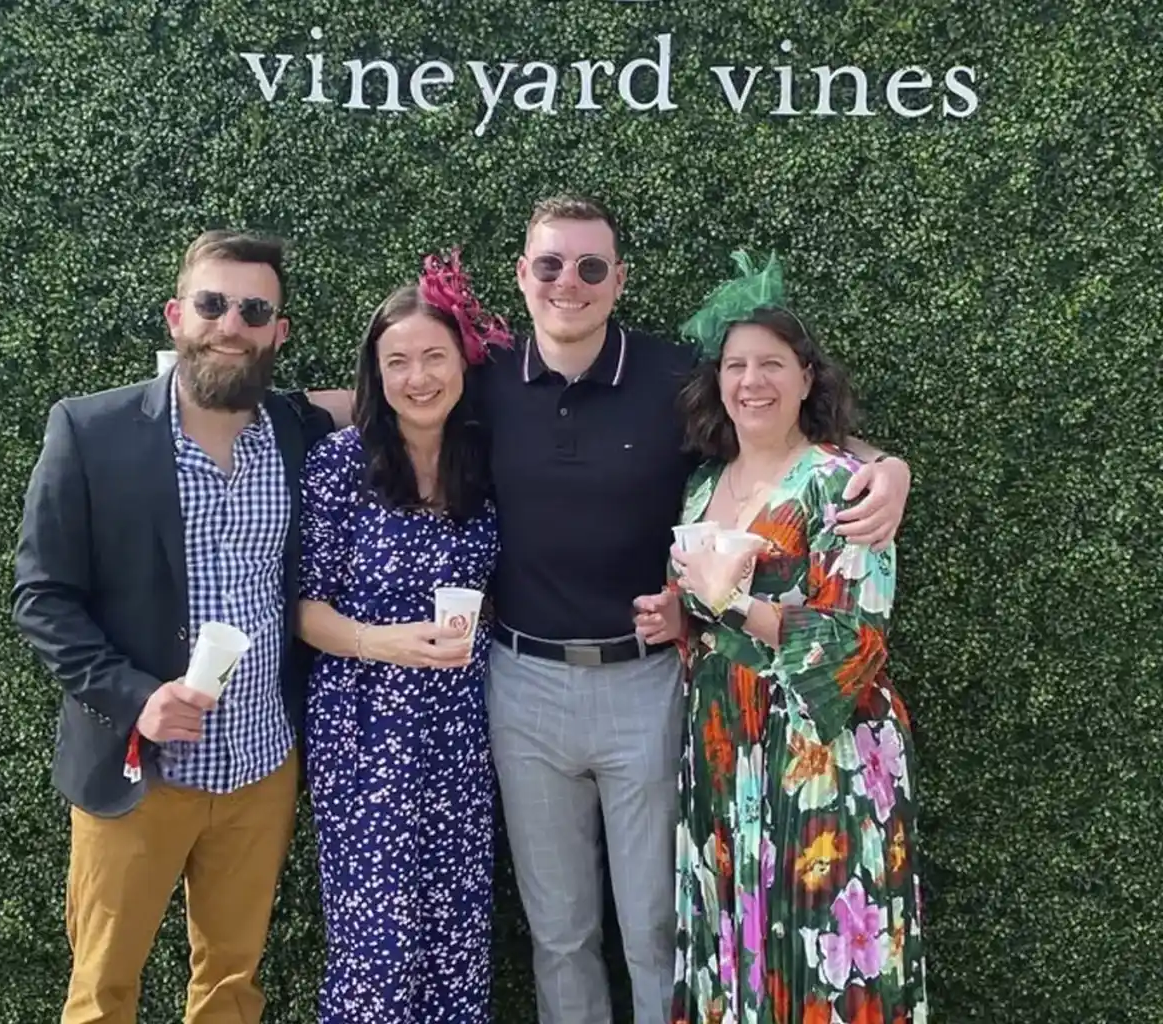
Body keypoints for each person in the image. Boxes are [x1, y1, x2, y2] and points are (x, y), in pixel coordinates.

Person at [308, 195, 912, 1024]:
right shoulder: (482, 380)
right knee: (558, 934)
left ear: (618, 279)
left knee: (657, 924)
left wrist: (885, 465)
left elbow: (775, 424)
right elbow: (387, 391)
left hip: (646, 685)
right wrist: (237, 406)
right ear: (522, 277)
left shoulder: (671, 379)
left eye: (592, 267)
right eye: (551, 265)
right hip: (520, 686)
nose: (570, 283)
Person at [11, 229, 334, 1024]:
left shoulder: (298, 435)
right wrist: (135, 697)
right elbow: (41, 597)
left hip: (261, 765)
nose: (232, 323)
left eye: (254, 310)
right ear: (176, 316)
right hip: (140, 770)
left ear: (278, 332)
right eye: (213, 303)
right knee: (103, 992)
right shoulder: (92, 432)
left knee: (231, 987)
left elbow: (390, 395)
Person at [667, 252, 928, 1023]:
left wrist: (736, 605)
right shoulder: (703, 485)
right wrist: (677, 611)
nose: (753, 381)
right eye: (737, 365)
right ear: (718, 381)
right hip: (722, 745)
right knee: (735, 936)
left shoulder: (841, 483)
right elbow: (702, 608)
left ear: (807, 379)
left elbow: (856, 640)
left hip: (819, 751)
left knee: (818, 941)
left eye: (773, 364)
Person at [295, 251, 505, 1023]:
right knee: (376, 952)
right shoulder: (338, 466)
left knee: (457, 941)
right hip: (366, 731)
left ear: (462, 364)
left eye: (434, 356)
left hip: (461, 733)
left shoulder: (486, 462)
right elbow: (305, 610)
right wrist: (383, 642)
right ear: (374, 374)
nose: (419, 378)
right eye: (397, 362)